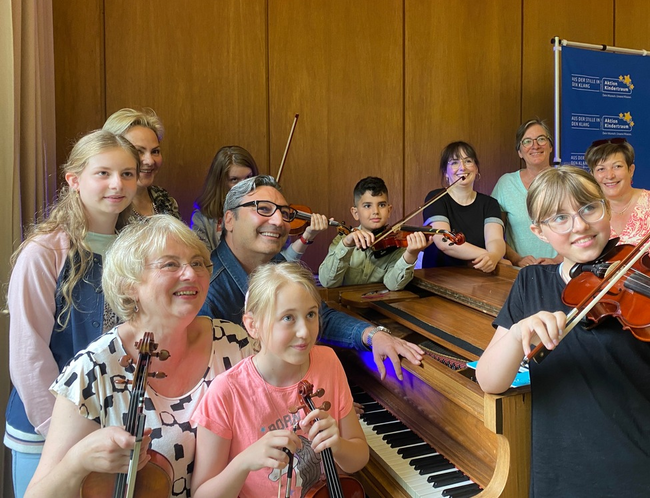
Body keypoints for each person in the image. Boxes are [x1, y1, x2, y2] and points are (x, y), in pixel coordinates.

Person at [476, 166, 650, 498]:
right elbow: (489, 380)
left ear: (606, 209)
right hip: (566, 477)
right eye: (559, 218)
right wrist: (516, 335)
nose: (580, 225)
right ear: (540, 231)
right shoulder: (530, 283)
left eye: (589, 208)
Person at [24, 215, 253, 498]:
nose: (191, 274)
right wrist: (77, 461)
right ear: (129, 284)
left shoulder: (236, 343)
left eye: (197, 263)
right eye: (171, 264)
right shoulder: (92, 369)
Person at [4, 129, 139, 497]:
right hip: (44, 430)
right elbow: (29, 356)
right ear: (74, 180)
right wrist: (59, 436)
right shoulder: (44, 252)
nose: (117, 184)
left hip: (115, 426)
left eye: (128, 173)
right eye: (103, 173)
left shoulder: (137, 249)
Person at [198, 175, 424, 380]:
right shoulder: (207, 290)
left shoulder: (278, 264)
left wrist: (372, 335)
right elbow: (210, 384)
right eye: (263, 209)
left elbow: (321, 316)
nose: (278, 221)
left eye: (284, 213)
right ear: (229, 219)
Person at [191, 263, 369, 497]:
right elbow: (201, 494)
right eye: (288, 317)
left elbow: (358, 458)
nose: (305, 331)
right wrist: (244, 462)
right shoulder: (226, 392)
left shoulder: (328, 361)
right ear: (253, 325)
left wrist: (338, 445)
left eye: (311, 314)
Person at [584, 137, 650, 267]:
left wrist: (640, 274)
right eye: (601, 169)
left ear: (631, 170)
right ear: (592, 175)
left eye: (617, 166)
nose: (609, 175)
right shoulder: (586, 212)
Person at [318, 176, 429, 290]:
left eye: (381, 205)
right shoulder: (342, 240)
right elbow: (327, 282)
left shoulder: (395, 245)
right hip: (343, 304)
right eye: (367, 206)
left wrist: (411, 254)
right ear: (355, 213)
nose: (375, 212)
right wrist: (346, 245)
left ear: (389, 210)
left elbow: (393, 285)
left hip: (377, 304)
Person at [421, 141, 506, 272]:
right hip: (438, 277)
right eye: (454, 162)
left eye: (468, 161)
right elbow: (444, 242)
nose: (462, 168)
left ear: (476, 168)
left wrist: (494, 255)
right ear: (445, 171)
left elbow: (495, 239)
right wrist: (489, 256)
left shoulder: (490, 204)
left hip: (478, 278)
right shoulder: (435, 198)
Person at [491, 119, 559, 266]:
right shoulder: (506, 184)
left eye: (541, 139)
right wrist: (516, 259)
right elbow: (493, 234)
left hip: (560, 272)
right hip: (518, 273)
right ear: (520, 152)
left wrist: (557, 260)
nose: (535, 146)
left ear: (551, 146)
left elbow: (580, 231)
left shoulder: (566, 180)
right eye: (527, 141)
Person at [103, 107, 181, 223]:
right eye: (138, 151)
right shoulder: (107, 206)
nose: (150, 161)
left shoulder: (164, 200)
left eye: (155, 151)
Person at [192, 146, 259, 251]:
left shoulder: (265, 210)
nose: (245, 186)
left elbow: (280, 258)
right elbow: (204, 261)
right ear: (221, 183)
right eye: (234, 179)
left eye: (248, 178)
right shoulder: (201, 218)